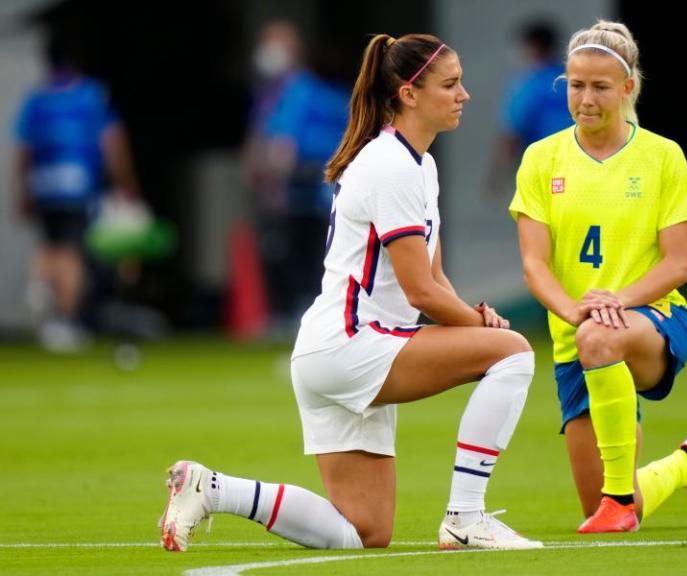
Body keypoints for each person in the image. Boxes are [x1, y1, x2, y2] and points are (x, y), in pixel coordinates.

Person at [160, 33, 542, 552]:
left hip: (336, 349)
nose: (464, 95)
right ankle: (466, 517)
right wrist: (485, 330)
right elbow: (421, 292)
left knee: (365, 532)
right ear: (409, 93)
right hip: (353, 346)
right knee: (514, 355)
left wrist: (477, 317)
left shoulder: (419, 165)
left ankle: (213, 488)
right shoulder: (389, 165)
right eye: (450, 84)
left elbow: (435, 280)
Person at [509, 20, 687, 534]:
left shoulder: (662, 157)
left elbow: (677, 265)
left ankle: (619, 503)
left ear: (628, 88)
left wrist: (616, 302)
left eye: (601, 86)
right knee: (603, 504)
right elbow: (534, 264)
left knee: (602, 336)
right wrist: (574, 310)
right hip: (577, 336)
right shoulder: (541, 159)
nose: (586, 98)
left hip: (654, 320)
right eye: (576, 85)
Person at [12, 32, 140, 352]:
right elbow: (113, 142)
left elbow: (23, 151)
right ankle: (65, 321)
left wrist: (21, 190)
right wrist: (125, 183)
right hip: (76, 184)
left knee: (49, 245)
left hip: (44, 184)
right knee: (72, 253)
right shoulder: (90, 95)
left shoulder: (37, 100)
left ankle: (40, 284)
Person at [243, 20, 350, 333]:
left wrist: (273, 186)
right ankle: (296, 314)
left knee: (306, 253)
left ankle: (309, 318)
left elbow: (283, 147)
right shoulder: (270, 93)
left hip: (311, 188)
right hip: (299, 188)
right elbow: (262, 136)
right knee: (288, 252)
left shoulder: (299, 91)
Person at [487, 19, 571, 196]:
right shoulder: (574, 80)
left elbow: (512, 134)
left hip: (544, 172)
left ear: (533, 47)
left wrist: (497, 176)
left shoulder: (528, 85)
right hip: (582, 165)